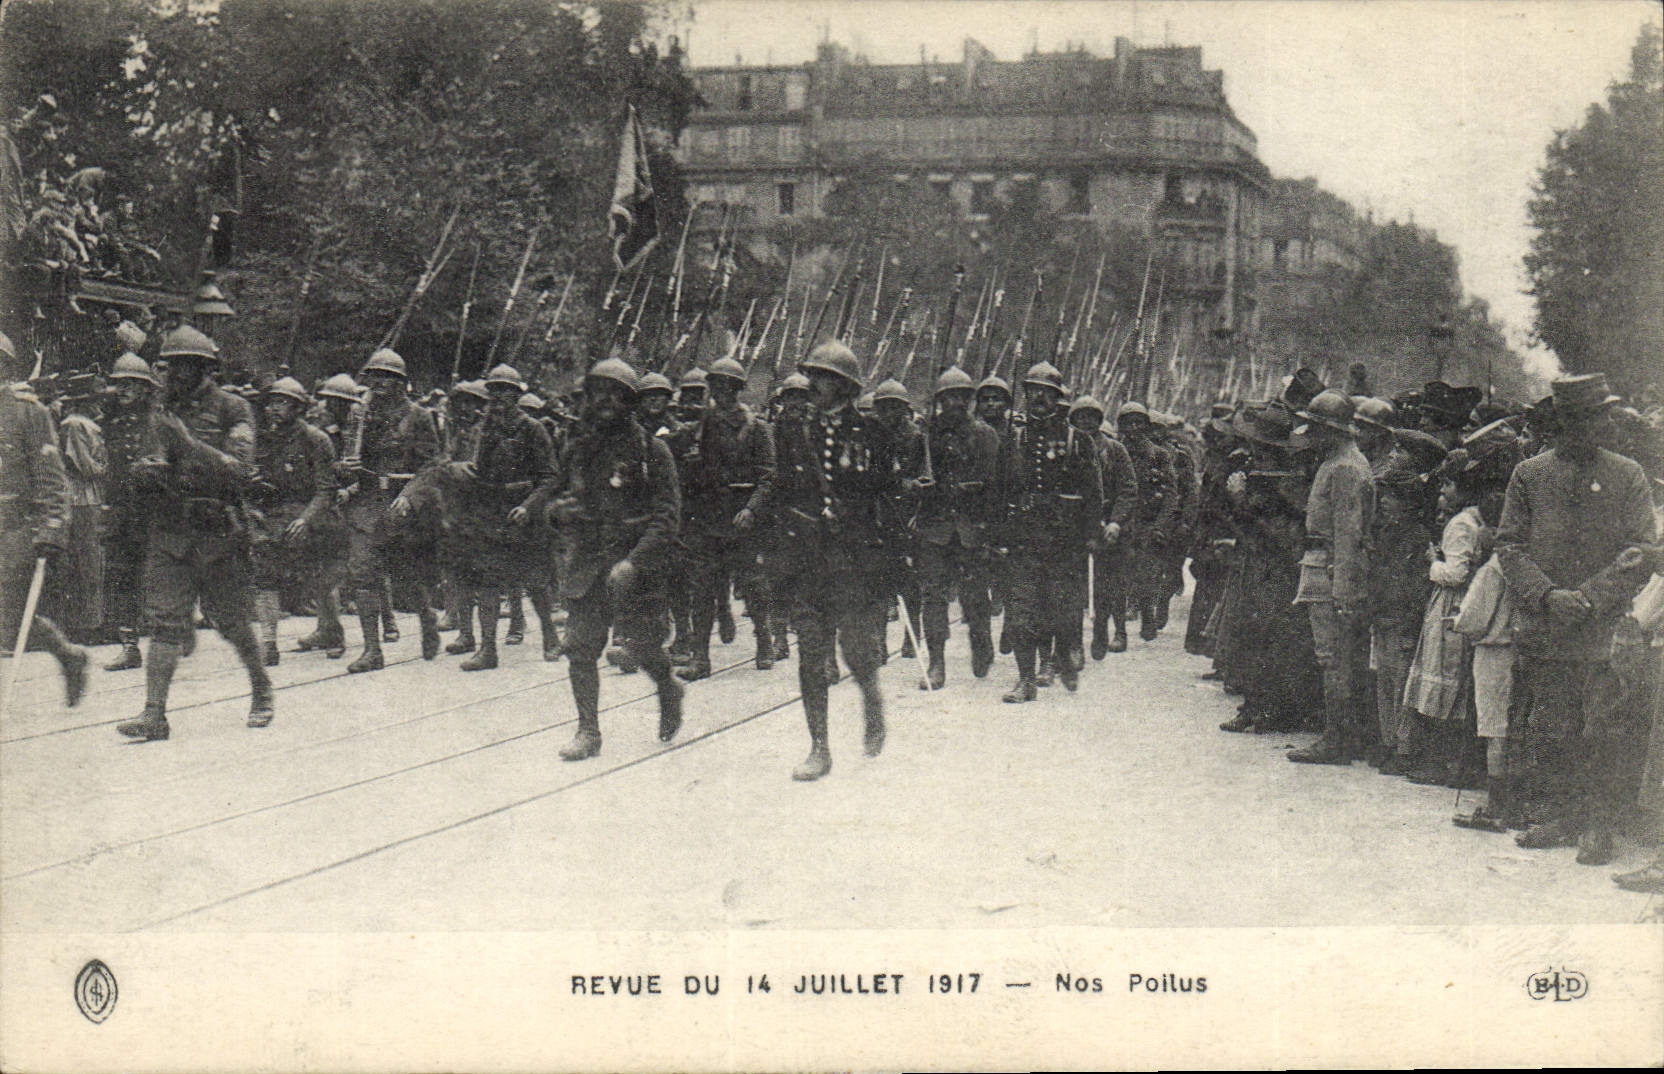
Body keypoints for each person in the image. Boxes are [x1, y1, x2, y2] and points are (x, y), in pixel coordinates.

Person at [1497, 373, 1656, 865]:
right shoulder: (1529, 474)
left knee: (1604, 727)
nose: (1607, 423)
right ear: (1568, 421)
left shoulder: (1628, 475)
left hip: (1604, 628)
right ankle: (1563, 815)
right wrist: (1546, 596)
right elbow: (1509, 545)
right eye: (1597, 415)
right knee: (1555, 725)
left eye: (1607, 413)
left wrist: (1587, 598)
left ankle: (1598, 824)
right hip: (1546, 625)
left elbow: (1641, 550)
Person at [521, 358, 684, 762]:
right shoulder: (578, 448)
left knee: (645, 648)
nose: (606, 402)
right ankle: (588, 730)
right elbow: (556, 497)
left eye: (617, 395)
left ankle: (667, 686)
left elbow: (668, 517)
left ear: (631, 403)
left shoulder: (652, 450)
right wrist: (557, 513)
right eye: (599, 394)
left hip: (634, 567)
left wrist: (635, 561)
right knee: (580, 648)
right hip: (588, 565)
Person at [116, 326, 270, 740]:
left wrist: (186, 444)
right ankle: (154, 714)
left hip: (217, 534)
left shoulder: (233, 409)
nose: (177, 374)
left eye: (187, 365)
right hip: (170, 529)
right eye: (172, 365)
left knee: (232, 621)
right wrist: (146, 471)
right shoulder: (162, 409)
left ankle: (261, 686)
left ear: (205, 368)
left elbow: (239, 471)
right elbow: (153, 459)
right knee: (165, 622)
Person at [771, 341, 897, 780]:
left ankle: (871, 702)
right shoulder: (792, 432)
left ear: (843, 386)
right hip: (807, 560)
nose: (813, 386)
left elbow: (885, 494)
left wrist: (853, 517)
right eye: (812, 377)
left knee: (858, 651)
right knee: (810, 656)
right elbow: (783, 489)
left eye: (823, 378)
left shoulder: (872, 433)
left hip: (853, 562)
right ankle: (819, 747)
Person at [996, 362, 1102, 700]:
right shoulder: (1014, 438)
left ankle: (1054, 661)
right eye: (1032, 391)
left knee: (1058, 609)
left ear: (1058, 398)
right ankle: (1025, 679)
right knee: (1021, 611)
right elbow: (999, 492)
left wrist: (1090, 534)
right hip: (1024, 537)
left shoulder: (1078, 440)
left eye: (1047, 392)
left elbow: (1093, 493)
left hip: (1064, 540)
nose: (1038, 397)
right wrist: (997, 535)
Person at [672, 356, 776, 679]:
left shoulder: (756, 427)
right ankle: (701, 658)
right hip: (708, 520)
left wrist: (752, 509)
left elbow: (769, 476)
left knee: (753, 584)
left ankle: (764, 642)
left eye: (727, 386)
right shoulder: (702, 424)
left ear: (737, 389)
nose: (721, 392)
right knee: (702, 588)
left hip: (741, 518)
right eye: (715, 385)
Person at [0, 330, 89, 706]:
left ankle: (68, 655)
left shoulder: (27, 412)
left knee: (8, 615)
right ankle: (68, 655)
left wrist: (52, 527)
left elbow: (51, 476)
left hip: (15, 527)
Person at [338, 348, 442, 672]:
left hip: (402, 502)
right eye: (374, 377)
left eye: (388, 378)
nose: (379, 383)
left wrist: (411, 496)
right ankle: (373, 650)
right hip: (368, 502)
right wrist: (345, 468)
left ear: (401, 383)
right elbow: (347, 460)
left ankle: (427, 619)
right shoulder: (359, 415)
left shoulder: (419, 416)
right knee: (362, 573)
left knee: (407, 576)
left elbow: (434, 463)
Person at [1288, 389, 1375, 764]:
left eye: (1319, 429)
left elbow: (1348, 533)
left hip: (1329, 569)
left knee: (1333, 658)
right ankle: (1342, 735)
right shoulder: (1341, 461)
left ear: (1334, 431)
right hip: (1323, 564)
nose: (1313, 436)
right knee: (1335, 657)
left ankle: (1337, 739)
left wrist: (1342, 589)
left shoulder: (1344, 468)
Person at [913, 366, 1001, 686]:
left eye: (961, 397)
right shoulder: (925, 434)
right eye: (948, 398)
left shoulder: (984, 434)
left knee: (975, 595)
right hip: (934, 527)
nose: (955, 404)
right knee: (932, 596)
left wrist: (989, 529)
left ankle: (981, 642)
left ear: (969, 400)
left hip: (970, 528)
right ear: (939, 401)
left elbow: (994, 487)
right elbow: (909, 475)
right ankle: (936, 662)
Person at [249, 376, 339, 666]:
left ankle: (332, 632)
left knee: (321, 577)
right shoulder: (263, 439)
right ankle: (268, 643)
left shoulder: (316, 439)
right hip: (274, 516)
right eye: (272, 402)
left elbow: (326, 490)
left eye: (283, 403)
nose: (275, 409)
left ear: (298, 408)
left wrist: (306, 520)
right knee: (264, 573)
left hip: (311, 514)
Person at [100, 352, 159, 671]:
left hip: (153, 509)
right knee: (123, 575)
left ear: (145, 389)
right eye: (119, 384)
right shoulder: (112, 421)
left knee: (159, 576)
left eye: (131, 385)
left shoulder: (158, 421)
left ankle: (173, 637)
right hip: (123, 509)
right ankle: (130, 646)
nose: (124, 390)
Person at [1068, 394, 1138, 661]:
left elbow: (1128, 490)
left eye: (1091, 417)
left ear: (1100, 420)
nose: (1085, 422)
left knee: (1110, 583)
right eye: (1080, 417)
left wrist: (1116, 522)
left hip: (1111, 527)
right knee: (1075, 585)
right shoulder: (1069, 448)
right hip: (1079, 525)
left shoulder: (1115, 450)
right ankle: (1075, 642)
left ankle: (1108, 631)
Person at [49, 373, 107, 642]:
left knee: (92, 561)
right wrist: (108, 467)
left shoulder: (88, 423)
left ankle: (91, 621)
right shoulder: (74, 424)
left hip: (90, 497)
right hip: (80, 498)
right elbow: (85, 466)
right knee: (85, 561)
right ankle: (83, 625)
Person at [1117, 401, 1179, 643]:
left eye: (1139, 423)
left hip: (1148, 522)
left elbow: (1171, 493)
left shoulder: (1159, 455)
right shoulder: (1115, 451)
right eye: (1128, 423)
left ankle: (1147, 617)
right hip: (1121, 522)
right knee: (1119, 575)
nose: (1133, 428)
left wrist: (1160, 524)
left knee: (1146, 573)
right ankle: (1120, 628)